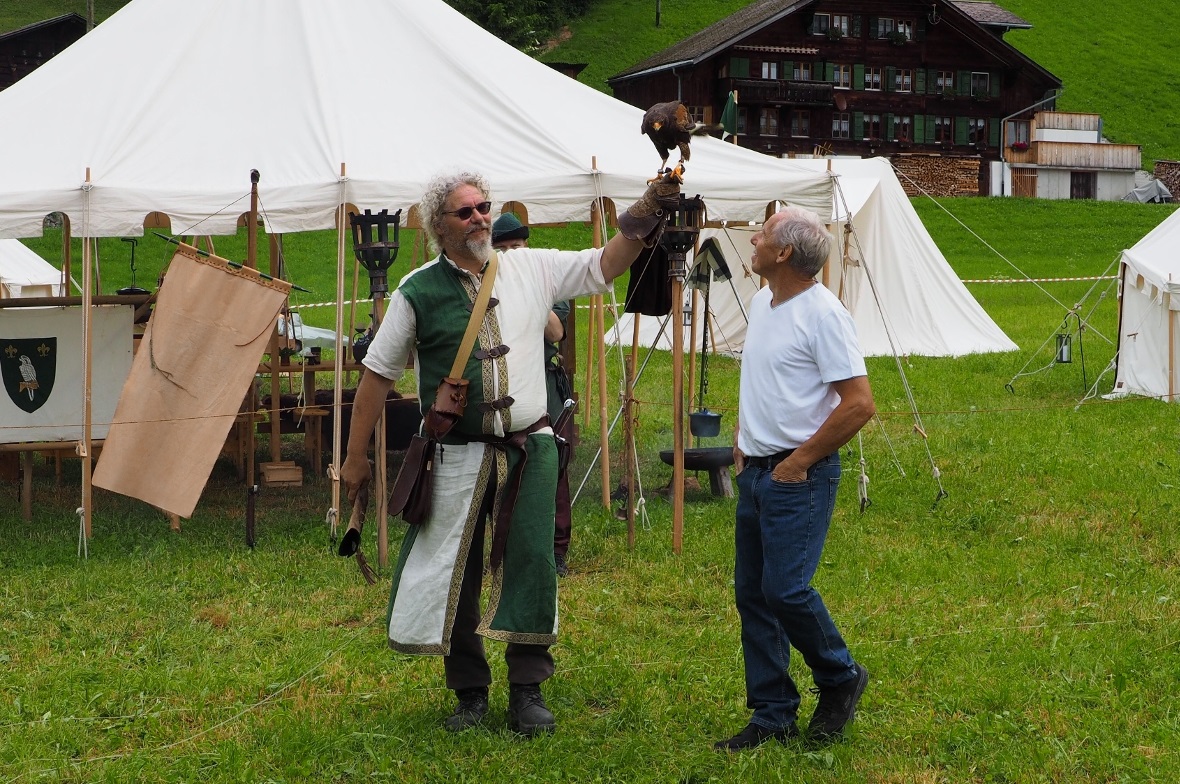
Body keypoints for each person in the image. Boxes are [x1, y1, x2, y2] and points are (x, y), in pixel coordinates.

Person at [341, 170, 677, 737]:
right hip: (455, 453)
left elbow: (605, 264)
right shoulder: (416, 291)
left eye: (484, 207)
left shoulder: (530, 267)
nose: (479, 218)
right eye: (465, 211)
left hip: (530, 449)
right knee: (456, 572)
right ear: (436, 226)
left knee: (531, 565)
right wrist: (354, 457)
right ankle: (469, 694)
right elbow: (376, 375)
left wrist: (643, 212)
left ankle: (528, 690)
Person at [716, 206, 877, 752]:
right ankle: (773, 713)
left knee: (785, 590)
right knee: (753, 596)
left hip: (796, 477)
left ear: (783, 253)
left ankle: (839, 676)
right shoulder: (763, 301)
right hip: (758, 472)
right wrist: (745, 437)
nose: (753, 240)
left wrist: (799, 460)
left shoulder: (824, 314)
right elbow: (767, 378)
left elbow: (859, 405)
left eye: (762, 234)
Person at [491, 212, 574, 578]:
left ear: (527, 247)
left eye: (517, 246)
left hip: (543, 383)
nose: (512, 254)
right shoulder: (485, 285)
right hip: (501, 386)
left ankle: (556, 550)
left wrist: (529, 293)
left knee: (550, 466)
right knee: (499, 467)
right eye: (504, 249)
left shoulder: (547, 280)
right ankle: (505, 546)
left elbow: (555, 332)